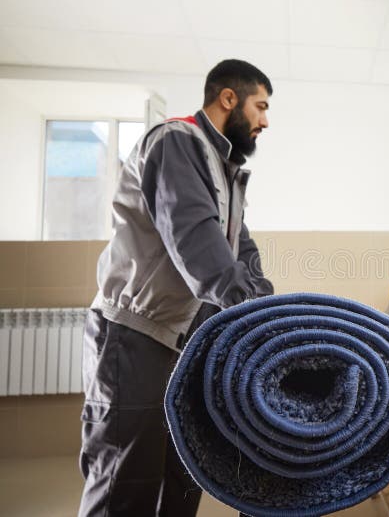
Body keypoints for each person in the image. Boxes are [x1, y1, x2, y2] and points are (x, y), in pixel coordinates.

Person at [79, 59, 275, 516]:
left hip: (183, 338)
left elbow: (241, 251)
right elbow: (198, 246)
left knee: (185, 472)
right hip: (135, 334)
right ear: (229, 98)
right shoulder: (176, 141)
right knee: (125, 482)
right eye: (261, 106)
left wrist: (271, 313)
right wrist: (263, 325)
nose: (265, 120)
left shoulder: (223, 168)